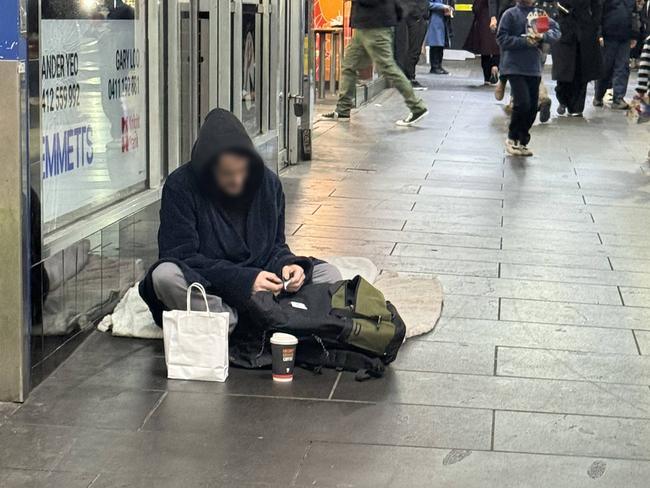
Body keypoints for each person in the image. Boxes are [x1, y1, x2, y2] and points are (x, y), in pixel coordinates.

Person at [139, 109, 342, 329]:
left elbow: (275, 246)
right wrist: (245, 281)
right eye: (227, 174)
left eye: (242, 171)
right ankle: (241, 321)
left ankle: (262, 316)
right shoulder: (181, 186)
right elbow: (180, 256)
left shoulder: (267, 183)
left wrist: (288, 266)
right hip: (212, 285)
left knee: (329, 273)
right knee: (164, 276)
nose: (237, 180)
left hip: (262, 281)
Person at [321, 0, 429, 126]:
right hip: (365, 26)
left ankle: (417, 107)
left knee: (388, 68)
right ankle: (342, 110)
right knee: (349, 66)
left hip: (376, 27)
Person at [497, 0, 560, 156]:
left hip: (533, 68)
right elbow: (502, 38)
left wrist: (542, 36)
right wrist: (523, 41)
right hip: (514, 67)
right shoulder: (510, 14)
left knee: (532, 107)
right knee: (522, 103)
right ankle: (512, 138)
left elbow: (555, 32)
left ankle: (522, 140)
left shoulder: (538, 15)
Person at [552, 0, 603, 116]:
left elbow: (597, 5)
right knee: (564, 68)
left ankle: (577, 107)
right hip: (563, 26)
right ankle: (563, 99)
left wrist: (594, 24)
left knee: (581, 69)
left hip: (585, 29)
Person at [594, 0, 640, 109]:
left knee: (623, 67)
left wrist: (634, 35)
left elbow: (634, 15)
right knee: (605, 67)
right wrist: (599, 34)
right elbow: (598, 13)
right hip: (608, 36)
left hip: (625, 37)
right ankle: (598, 95)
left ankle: (618, 98)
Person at [395, 0, 431, 89]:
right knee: (413, 48)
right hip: (414, 13)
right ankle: (409, 77)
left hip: (413, 12)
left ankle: (407, 76)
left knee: (409, 47)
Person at [464, 0, 501, 84]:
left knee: (484, 48)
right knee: (498, 46)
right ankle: (495, 65)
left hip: (483, 17)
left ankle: (487, 78)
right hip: (499, 15)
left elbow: (476, 7)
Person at [426, 0, 455, 74]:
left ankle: (439, 65)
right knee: (436, 43)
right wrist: (442, 6)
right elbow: (428, 4)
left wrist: (450, 9)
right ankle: (434, 66)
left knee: (441, 44)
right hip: (435, 19)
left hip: (444, 20)